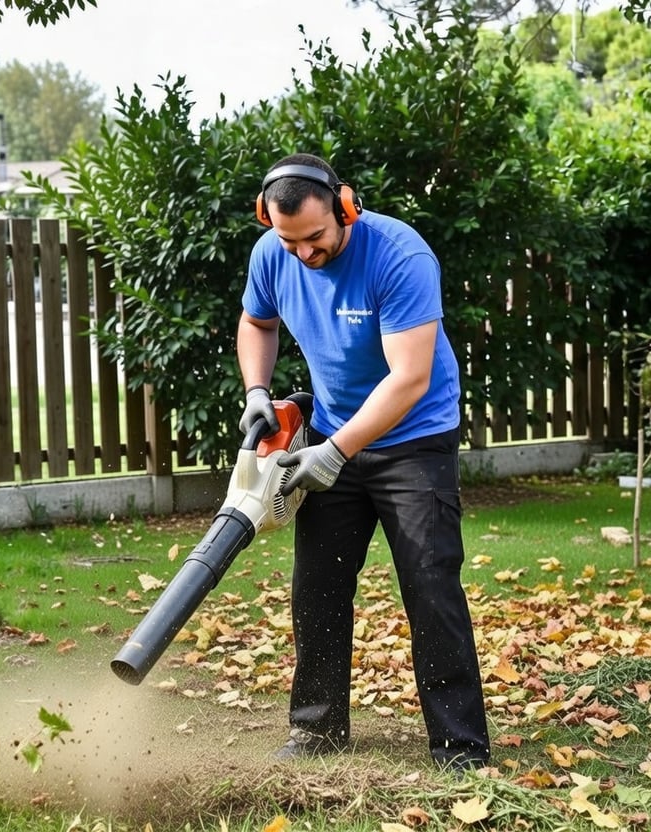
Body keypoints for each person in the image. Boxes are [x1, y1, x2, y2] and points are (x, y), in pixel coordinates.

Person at [236, 153, 490, 772]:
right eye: (287, 238)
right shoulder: (274, 252)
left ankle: (459, 746)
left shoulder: (400, 255)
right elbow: (256, 322)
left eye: (316, 237)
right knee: (317, 587)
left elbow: (410, 378)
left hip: (414, 438)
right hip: (329, 433)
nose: (303, 253)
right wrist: (257, 393)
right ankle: (317, 732)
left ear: (345, 207)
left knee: (430, 585)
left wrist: (336, 450)